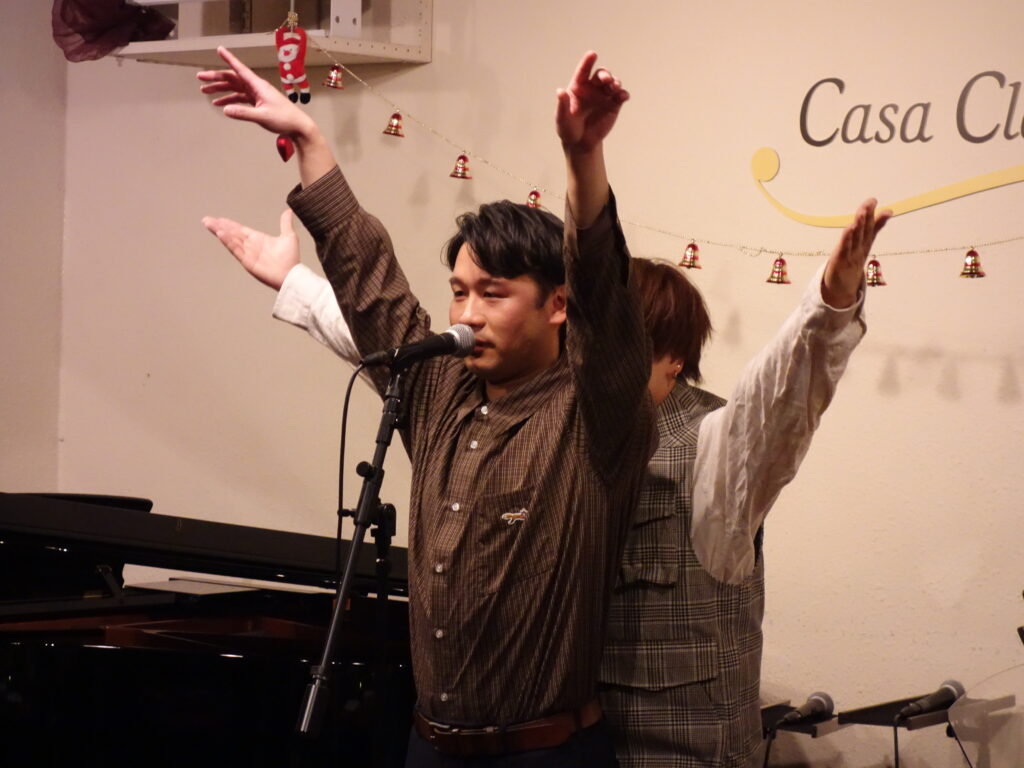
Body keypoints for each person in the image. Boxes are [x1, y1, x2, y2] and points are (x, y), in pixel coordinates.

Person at [210, 197, 889, 768]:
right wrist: (295, 281)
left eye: (627, 353)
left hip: (670, 755)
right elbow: (397, 355)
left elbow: (781, 400)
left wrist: (828, 305)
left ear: (675, 358)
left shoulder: (712, 447)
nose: (602, 368)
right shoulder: (553, 420)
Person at [199, 48, 656, 766]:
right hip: (429, 745)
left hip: (544, 753)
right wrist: (310, 141)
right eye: (459, 292)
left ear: (557, 306)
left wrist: (582, 157)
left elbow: (606, 298)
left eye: (494, 294)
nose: (467, 314)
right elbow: (371, 281)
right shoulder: (440, 387)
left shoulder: (595, 413)